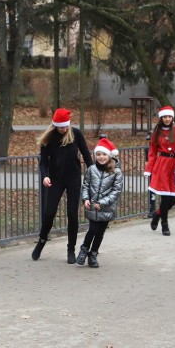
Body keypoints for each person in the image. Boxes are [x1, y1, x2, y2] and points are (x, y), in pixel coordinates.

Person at [33, 108, 94, 263]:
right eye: (62, 127)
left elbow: (86, 154)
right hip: (56, 179)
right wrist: (45, 176)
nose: (65, 129)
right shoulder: (49, 139)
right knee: (49, 213)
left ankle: (71, 249)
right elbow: (43, 163)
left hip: (73, 178)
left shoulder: (75, 134)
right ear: (55, 126)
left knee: (72, 214)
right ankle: (41, 242)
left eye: (66, 126)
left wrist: (93, 171)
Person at [76, 138, 124, 268]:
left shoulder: (116, 172)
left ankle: (93, 254)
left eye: (104, 154)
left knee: (100, 232)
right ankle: (84, 249)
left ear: (109, 155)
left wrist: (102, 203)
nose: (101, 157)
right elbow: (86, 185)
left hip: (106, 207)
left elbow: (116, 191)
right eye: (98, 154)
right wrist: (85, 198)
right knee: (92, 229)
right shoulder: (91, 169)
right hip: (92, 205)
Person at [145, 105, 175, 236]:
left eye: (169, 116)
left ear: (172, 117)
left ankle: (157, 214)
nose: (167, 119)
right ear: (161, 118)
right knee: (165, 197)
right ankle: (164, 224)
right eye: (165, 117)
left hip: (174, 164)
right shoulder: (157, 132)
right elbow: (152, 152)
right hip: (162, 165)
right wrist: (149, 168)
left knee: (174, 197)